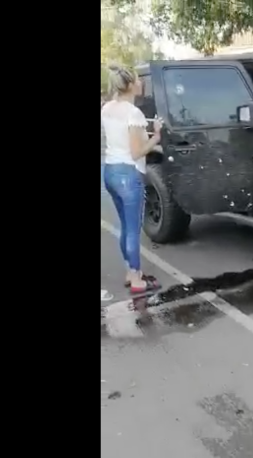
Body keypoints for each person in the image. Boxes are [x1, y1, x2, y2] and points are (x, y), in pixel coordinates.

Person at [101, 64, 163, 295]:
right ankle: (137, 280)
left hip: (110, 171)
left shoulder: (107, 108)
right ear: (129, 85)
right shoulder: (133, 113)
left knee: (125, 227)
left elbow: (120, 140)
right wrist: (156, 136)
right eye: (137, 79)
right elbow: (137, 152)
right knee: (133, 230)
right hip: (128, 174)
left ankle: (130, 271)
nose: (141, 83)